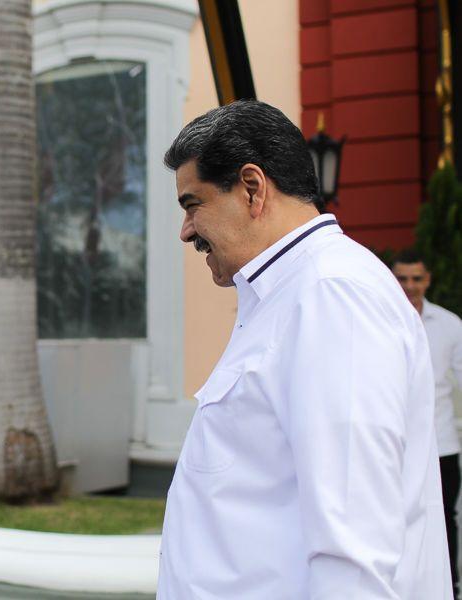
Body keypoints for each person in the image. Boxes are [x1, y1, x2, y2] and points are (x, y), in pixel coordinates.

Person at [157, 100, 451, 599]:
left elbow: (353, 552)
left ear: (252, 188)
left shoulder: (332, 294)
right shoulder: (291, 293)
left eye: (192, 204)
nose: (186, 230)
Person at [391, 249, 462, 596]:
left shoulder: (450, 326)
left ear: (428, 280)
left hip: (443, 444)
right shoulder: (382, 318)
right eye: (402, 278)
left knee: (444, 520)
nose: (409, 286)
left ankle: (447, 586)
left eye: (416, 278)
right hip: (397, 445)